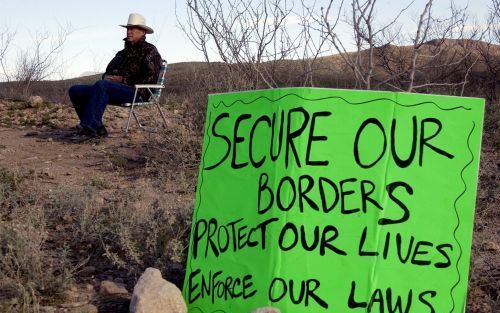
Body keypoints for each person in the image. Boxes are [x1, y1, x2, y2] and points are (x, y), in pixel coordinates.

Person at [68, 13, 162, 140]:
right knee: (75, 90)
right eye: (128, 28)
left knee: (102, 86)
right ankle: (98, 128)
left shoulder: (150, 51)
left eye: (133, 28)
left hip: (137, 92)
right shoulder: (122, 53)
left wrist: (123, 80)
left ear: (143, 32)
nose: (129, 31)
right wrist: (106, 76)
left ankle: (89, 129)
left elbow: (150, 77)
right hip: (114, 89)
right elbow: (108, 71)